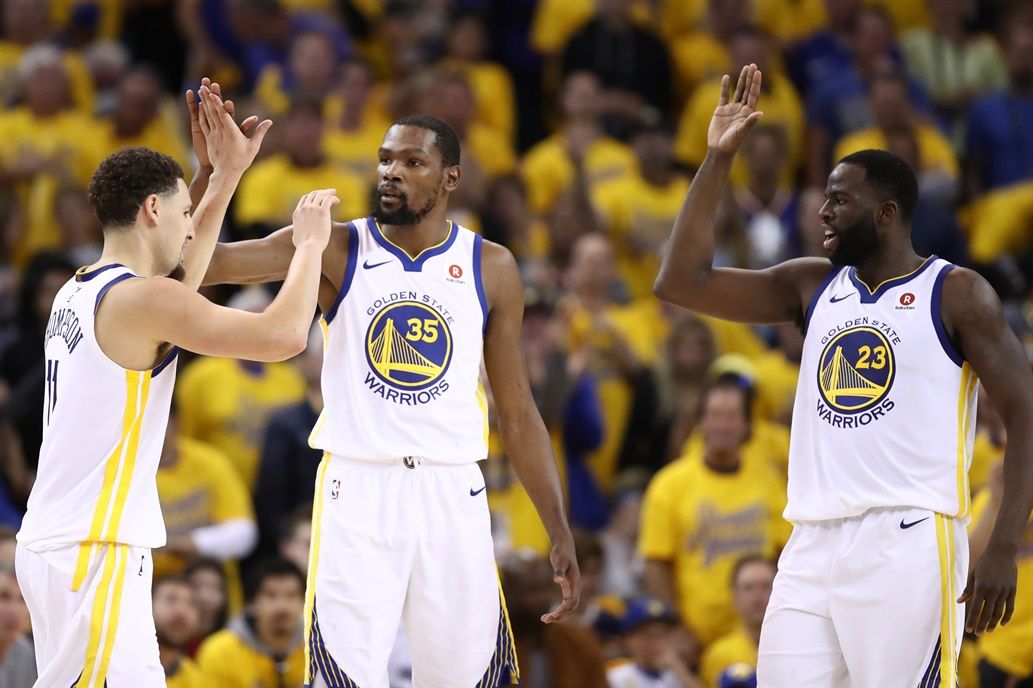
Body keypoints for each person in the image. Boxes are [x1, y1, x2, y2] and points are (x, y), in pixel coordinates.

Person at [653, 63, 1033, 687]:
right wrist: (717, 159)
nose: (822, 211)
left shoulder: (956, 293)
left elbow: (1024, 416)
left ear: (886, 213)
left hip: (908, 537)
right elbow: (680, 282)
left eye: (839, 200)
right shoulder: (812, 285)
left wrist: (1002, 546)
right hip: (810, 540)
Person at [205, 113, 580, 686]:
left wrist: (557, 525)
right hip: (360, 484)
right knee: (343, 677)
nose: (392, 172)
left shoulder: (492, 265)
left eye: (412, 161)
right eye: (385, 159)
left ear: (451, 177)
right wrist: (218, 174)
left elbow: (519, 412)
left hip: (453, 488)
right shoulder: (336, 244)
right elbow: (208, 263)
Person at [13, 82, 337, 688]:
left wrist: (223, 175)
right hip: (94, 547)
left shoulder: (83, 286)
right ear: (152, 211)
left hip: (66, 541)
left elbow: (183, 276)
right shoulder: (142, 299)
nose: (191, 229)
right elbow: (284, 336)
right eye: (185, 213)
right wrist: (311, 246)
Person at [196, 557, 307, 688]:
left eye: (291, 595)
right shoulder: (220, 651)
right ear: (252, 603)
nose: (282, 606)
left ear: (305, 601)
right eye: (271, 595)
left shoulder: (319, 646)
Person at [699, 556, 777, 688]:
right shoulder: (719, 655)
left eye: (766, 587)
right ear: (734, 596)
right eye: (748, 588)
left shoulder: (796, 648)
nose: (757, 597)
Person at [151, 575, 209, 688]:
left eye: (191, 603)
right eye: (171, 599)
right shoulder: (119, 663)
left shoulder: (198, 680)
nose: (181, 611)